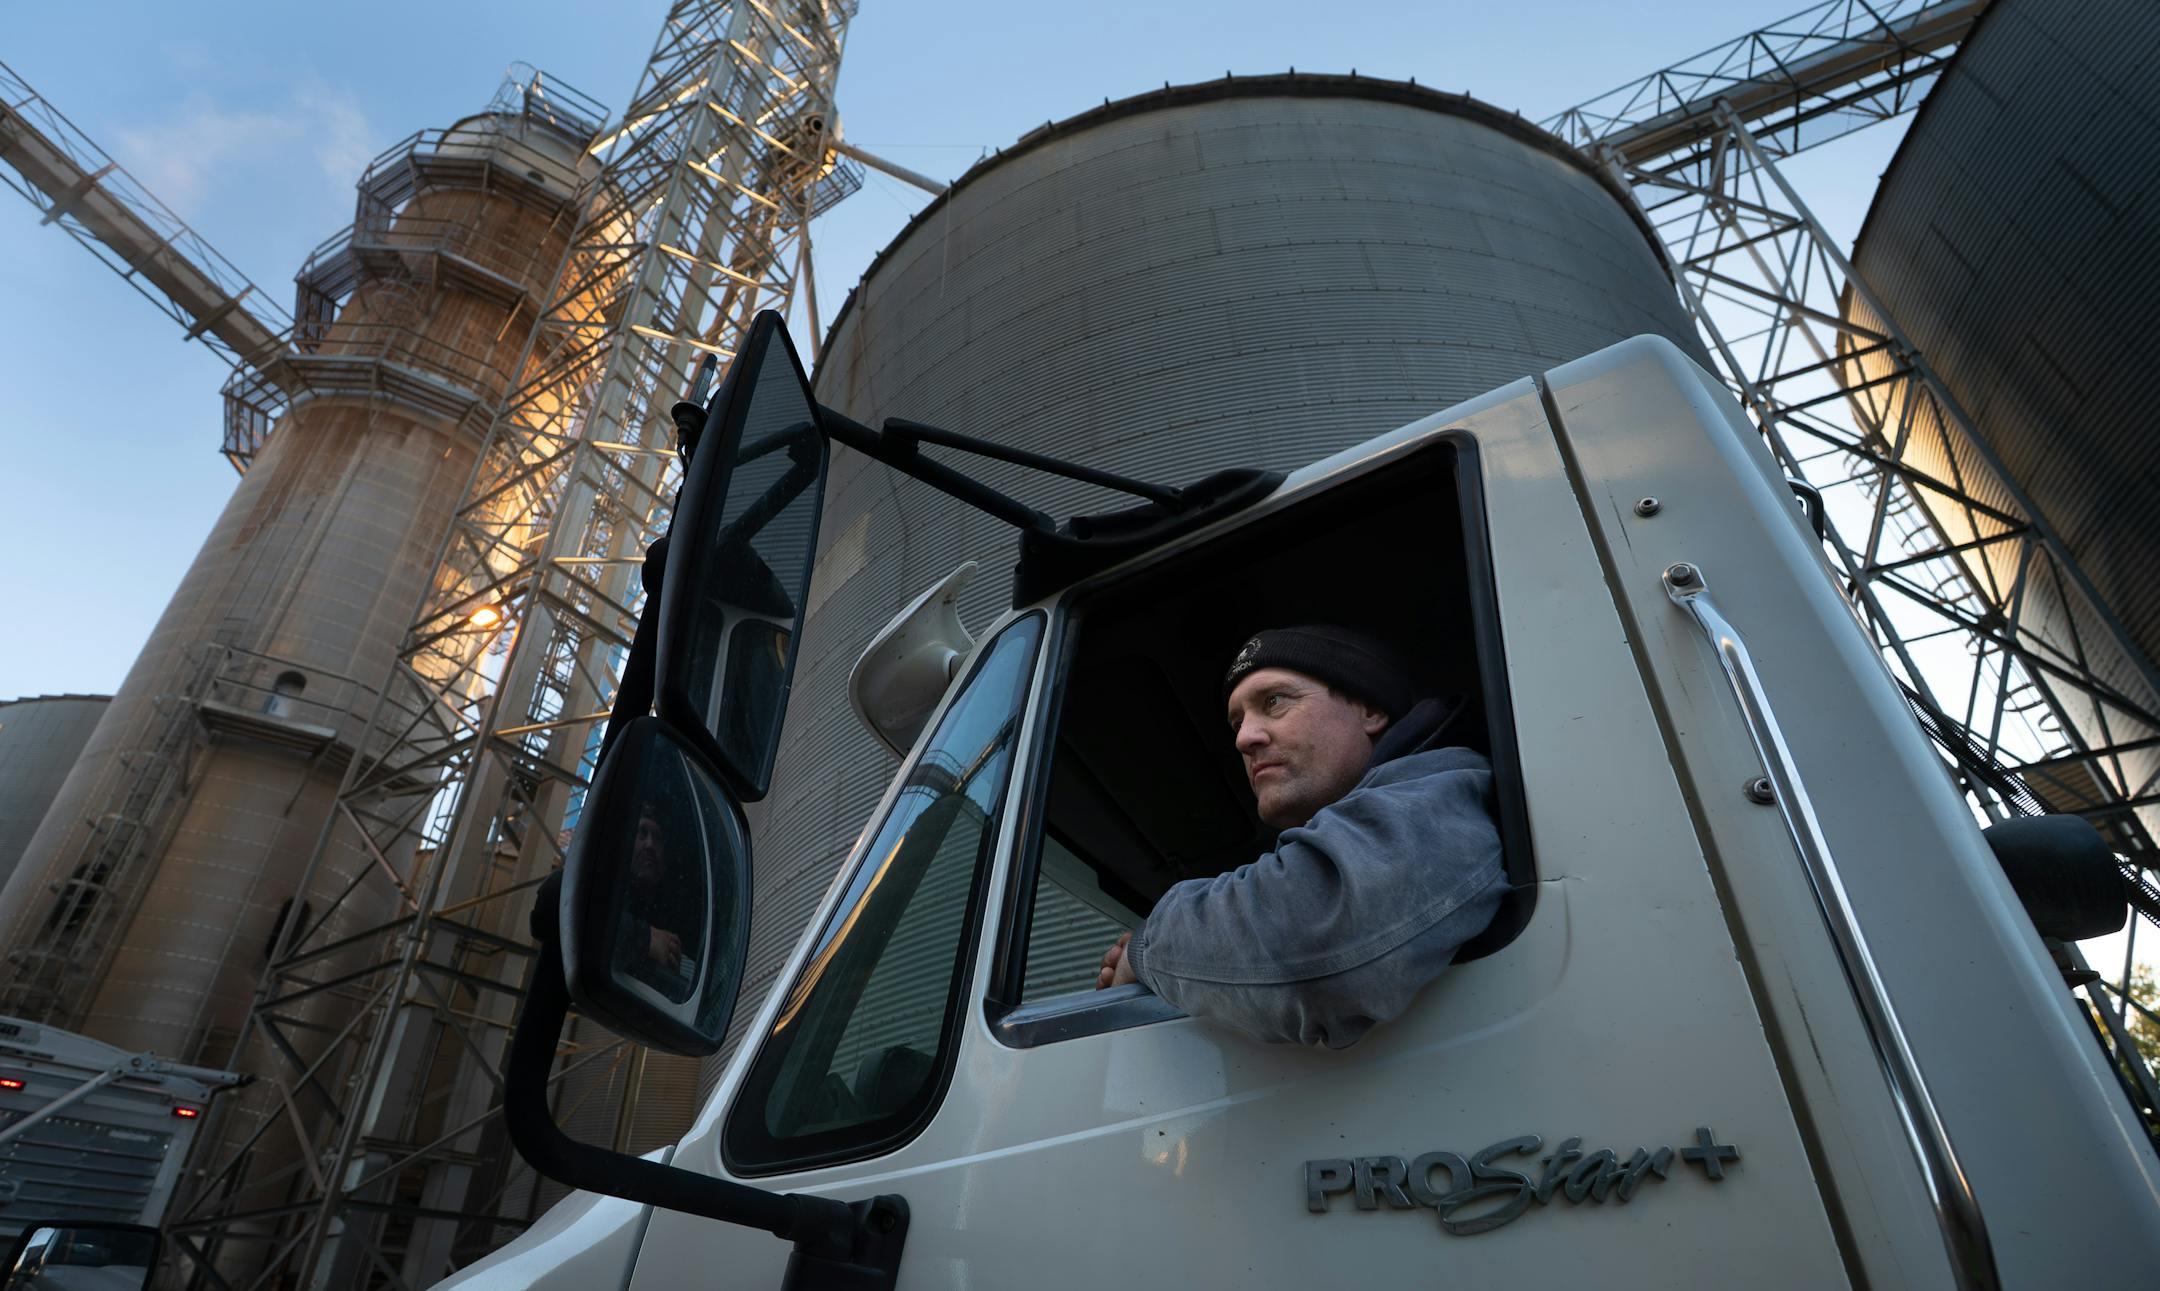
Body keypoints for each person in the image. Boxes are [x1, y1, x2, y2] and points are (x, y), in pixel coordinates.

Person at [1095, 624, 1508, 1048]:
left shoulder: (1439, 788)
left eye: (1273, 702)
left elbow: (1316, 930)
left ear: (1369, 710)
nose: (1243, 738)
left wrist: (1143, 952)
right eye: (1237, 721)